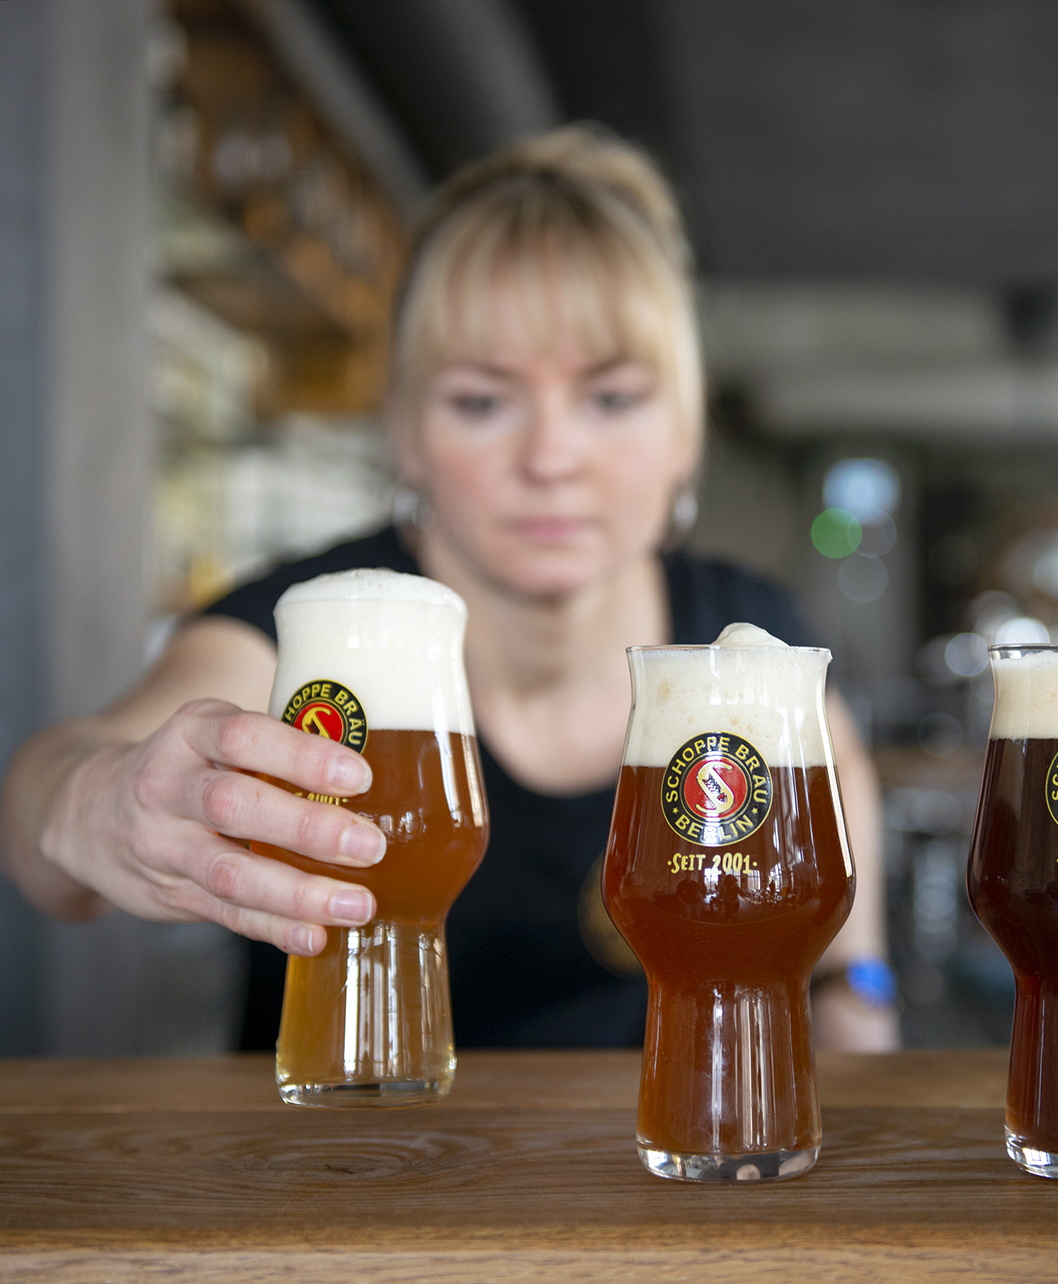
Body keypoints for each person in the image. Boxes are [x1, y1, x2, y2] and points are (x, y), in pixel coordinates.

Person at [0, 126, 896, 1051]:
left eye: (613, 398)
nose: (551, 459)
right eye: (482, 400)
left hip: (661, 1179)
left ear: (683, 435)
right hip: (343, 1173)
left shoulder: (754, 643)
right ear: (407, 433)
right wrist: (93, 801)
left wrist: (852, 1024)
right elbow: (46, 811)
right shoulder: (306, 634)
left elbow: (845, 977)